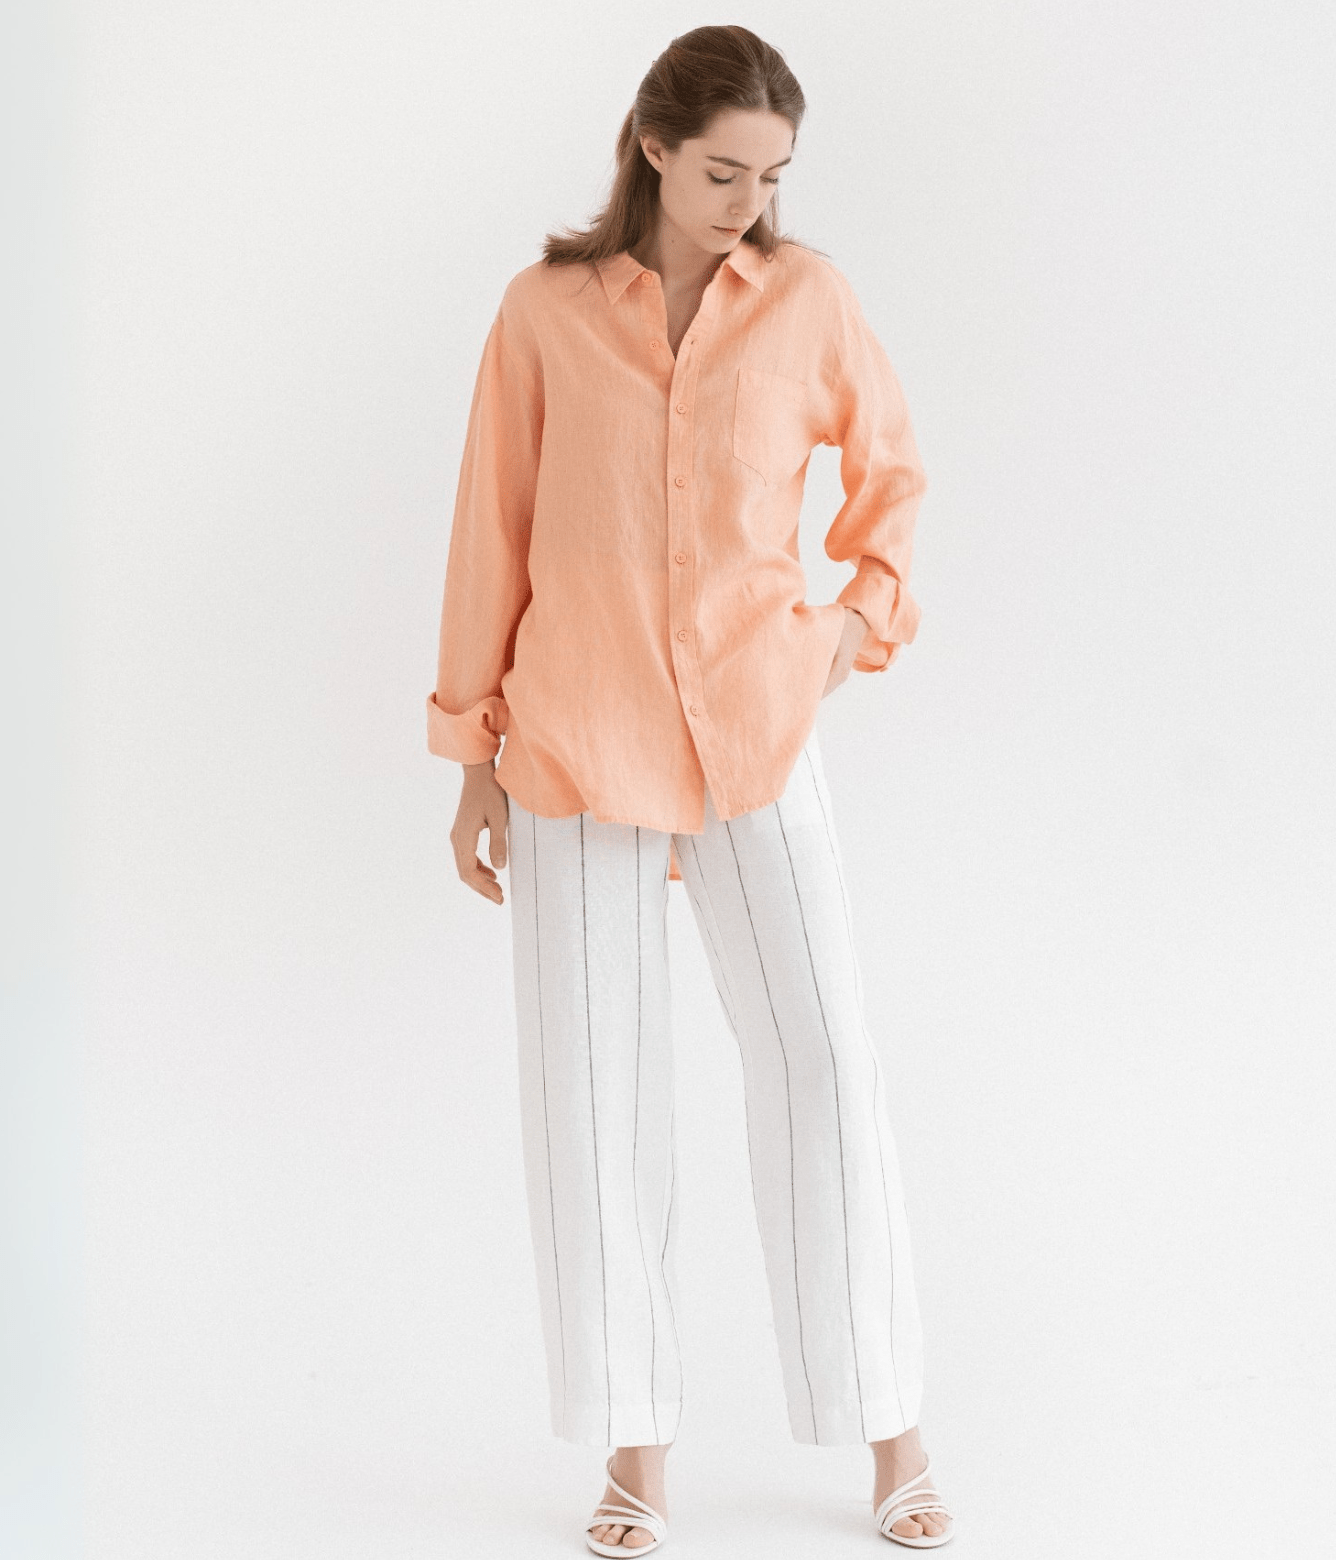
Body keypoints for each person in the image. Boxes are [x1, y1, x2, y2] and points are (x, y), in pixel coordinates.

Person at [425, 24, 955, 1554]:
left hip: (758, 735)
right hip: (575, 740)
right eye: (725, 172)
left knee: (825, 1066)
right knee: (593, 1098)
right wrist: (470, 756)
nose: (750, 204)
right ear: (654, 148)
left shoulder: (807, 302)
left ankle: (892, 1429)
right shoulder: (542, 313)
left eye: (773, 176)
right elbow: (492, 529)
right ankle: (636, 1454)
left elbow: (892, 476)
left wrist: (852, 624)